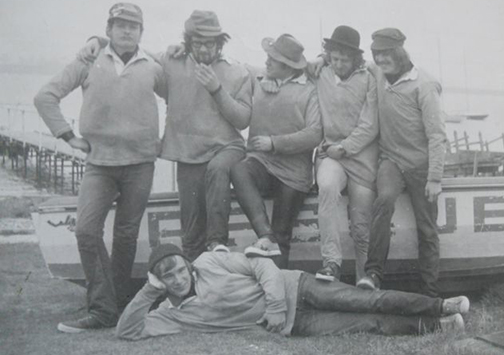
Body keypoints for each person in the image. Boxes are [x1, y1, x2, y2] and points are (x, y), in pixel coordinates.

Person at [34, 3, 167, 332]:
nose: (126, 31)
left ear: (141, 32)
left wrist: (168, 139)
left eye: (133, 26)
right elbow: (45, 96)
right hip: (99, 164)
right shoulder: (88, 59)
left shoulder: (153, 65)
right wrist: (67, 135)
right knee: (86, 231)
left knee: (125, 236)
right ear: (108, 29)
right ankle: (102, 308)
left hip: (140, 165)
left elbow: (179, 96)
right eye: (119, 25)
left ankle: (119, 305)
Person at [78, 10, 253, 261]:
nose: (204, 49)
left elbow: (243, 120)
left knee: (217, 178)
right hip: (187, 155)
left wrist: (216, 89)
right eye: (198, 42)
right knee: (191, 235)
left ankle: (218, 246)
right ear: (188, 41)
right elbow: (129, 48)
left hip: (224, 149)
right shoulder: (170, 62)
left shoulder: (236, 70)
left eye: (210, 43)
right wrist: (97, 40)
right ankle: (194, 290)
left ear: (220, 42)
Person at [116, 243, 470, 340]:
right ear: (160, 280)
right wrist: (149, 291)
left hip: (295, 286)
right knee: (369, 324)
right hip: (294, 325)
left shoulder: (209, 262)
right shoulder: (171, 315)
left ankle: (440, 305)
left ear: (187, 265)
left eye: (179, 269)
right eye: (168, 277)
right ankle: (440, 326)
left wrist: (273, 305)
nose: (178, 278)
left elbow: (261, 264)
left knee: (370, 298)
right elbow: (127, 331)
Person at [355, 28, 448, 297]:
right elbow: (361, 63)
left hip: (421, 166)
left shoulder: (425, 85)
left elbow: (437, 135)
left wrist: (435, 178)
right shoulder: (379, 73)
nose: (381, 60)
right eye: (377, 54)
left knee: (427, 227)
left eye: (386, 54)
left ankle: (429, 291)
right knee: (383, 201)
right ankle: (373, 274)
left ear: (400, 53)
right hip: (391, 161)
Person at [230, 34, 322, 269]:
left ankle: (278, 294)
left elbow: (315, 134)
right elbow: (233, 65)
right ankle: (265, 236)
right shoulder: (259, 77)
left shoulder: (310, 91)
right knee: (239, 171)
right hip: (261, 164)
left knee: (283, 234)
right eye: (268, 58)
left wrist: (275, 143)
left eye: (273, 59)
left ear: (288, 67)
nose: (267, 62)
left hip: (294, 174)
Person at [312, 25, 378, 282]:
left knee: (361, 226)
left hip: (361, 159)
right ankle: (331, 262)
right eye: (334, 58)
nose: (338, 64)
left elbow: (370, 124)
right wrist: (318, 60)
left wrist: (346, 147)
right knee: (326, 185)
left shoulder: (369, 78)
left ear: (356, 59)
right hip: (332, 155)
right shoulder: (321, 73)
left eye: (344, 59)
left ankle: (366, 280)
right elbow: (283, 66)